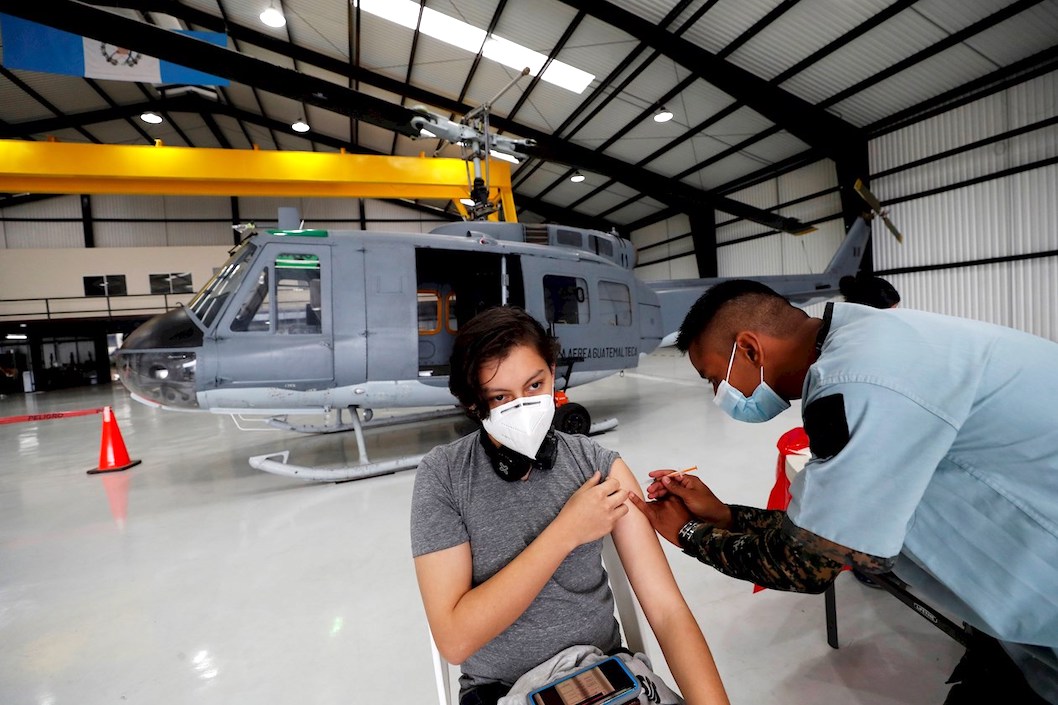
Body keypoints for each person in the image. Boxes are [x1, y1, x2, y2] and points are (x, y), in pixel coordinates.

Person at [628, 279, 1058, 704]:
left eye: (714, 380)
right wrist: (725, 516)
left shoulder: (857, 380)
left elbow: (807, 565)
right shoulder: (870, 345)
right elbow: (831, 532)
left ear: (750, 349)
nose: (720, 395)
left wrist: (688, 533)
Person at [411, 306, 729, 705]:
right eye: (500, 396)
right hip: (505, 691)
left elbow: (667, 610)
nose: (523, 407)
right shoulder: (444, 477)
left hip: (605, 673)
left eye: (534, 385)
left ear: (552, 370)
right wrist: (565, 532)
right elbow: (455, 640)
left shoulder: (596, 464)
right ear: (475, 403)